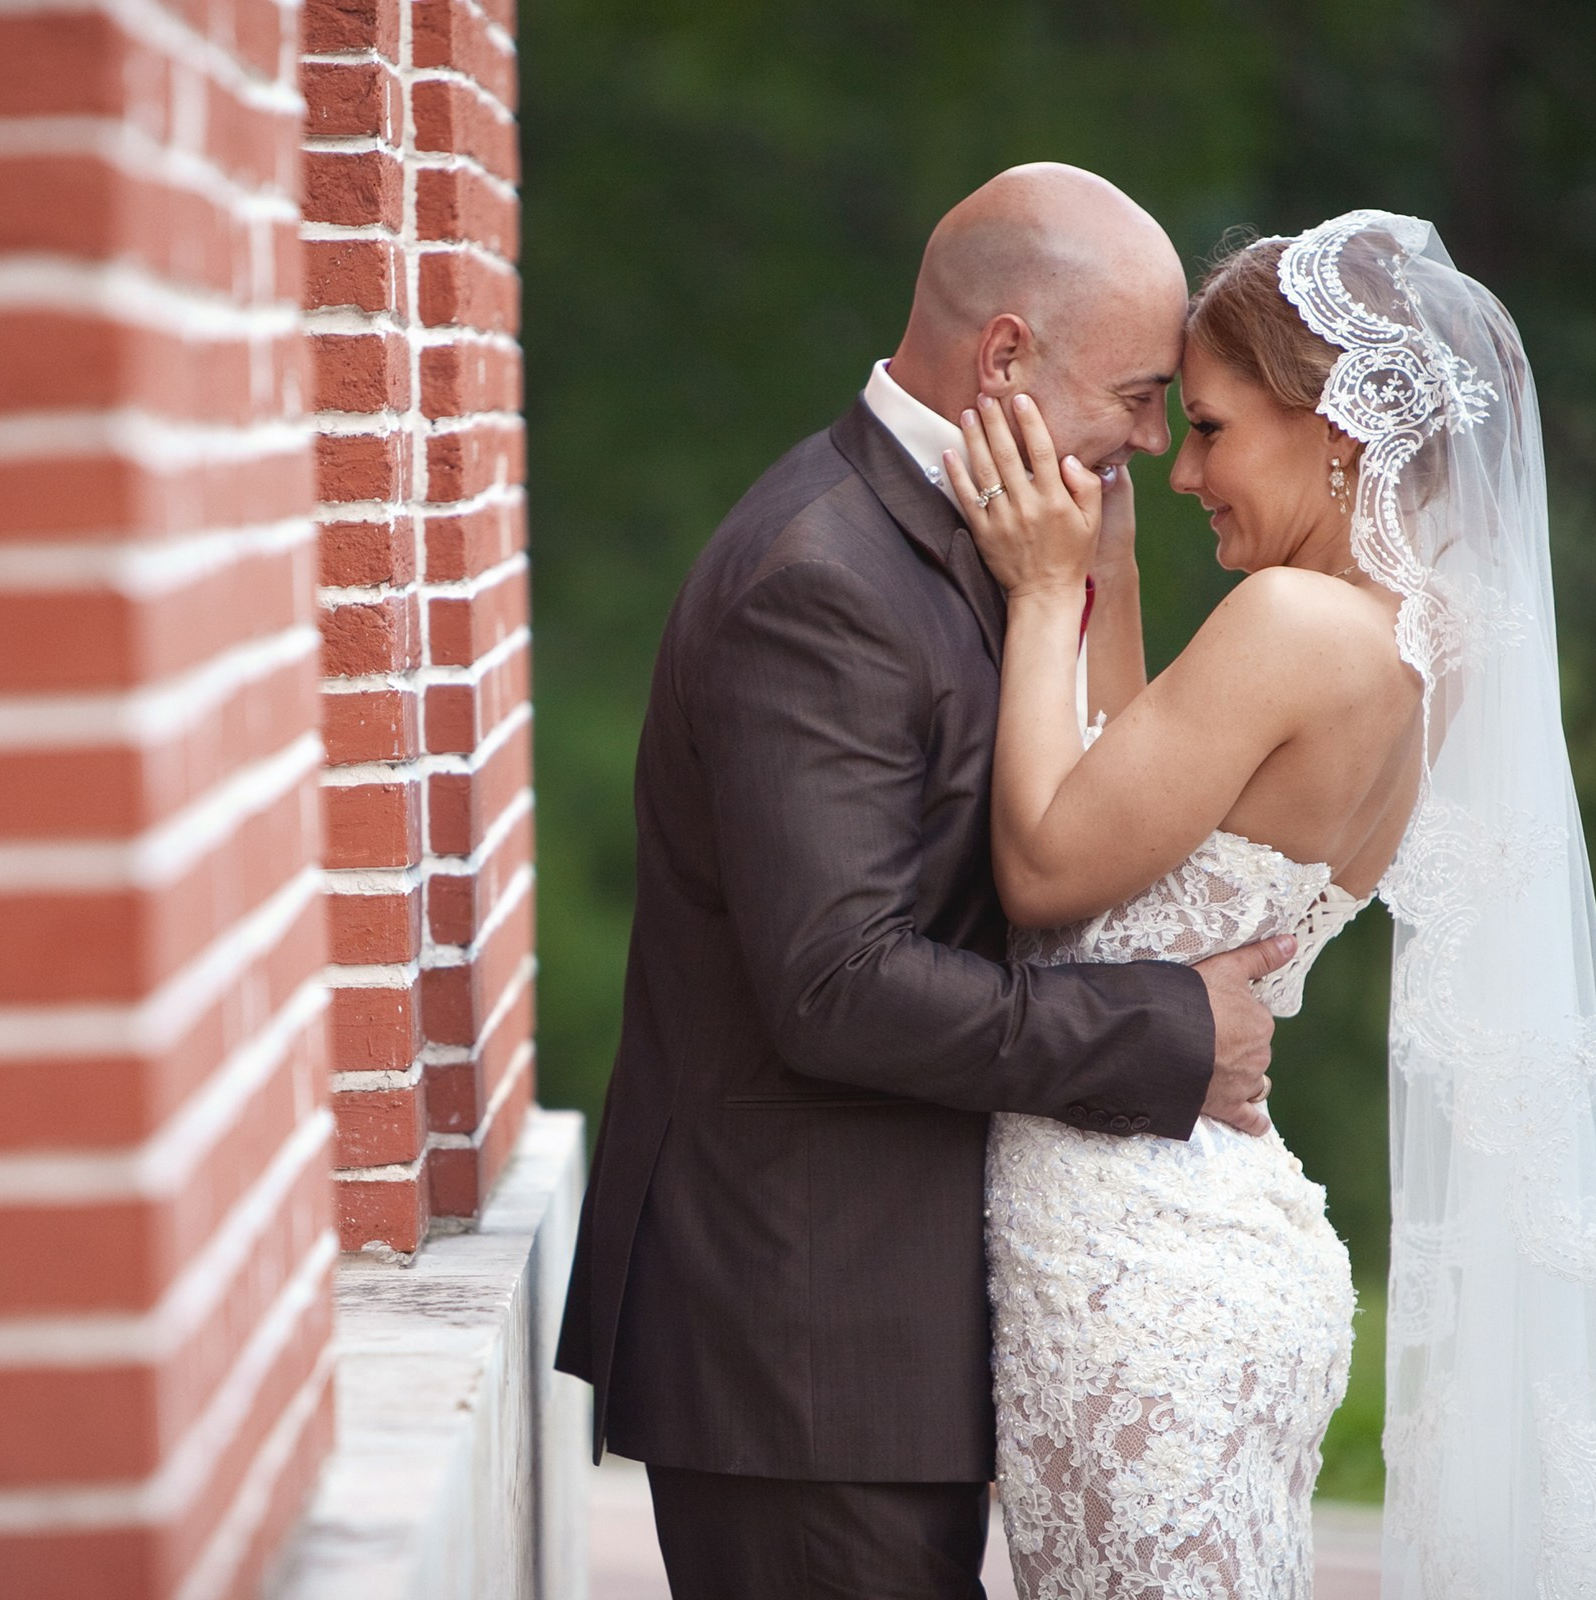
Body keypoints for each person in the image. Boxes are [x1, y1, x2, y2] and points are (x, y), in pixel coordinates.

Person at [553, 163, 1297, 1599]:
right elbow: (838, 985)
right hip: (805, 1347)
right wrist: (1171, 1031)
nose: (1152, 443)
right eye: (1136, 397)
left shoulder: (1001, 543)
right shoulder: (818, 577)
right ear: (1005, 355)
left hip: (881, 1337)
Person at [957, 212, 1596, 1598]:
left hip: (1143, 1269)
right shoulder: (1421, 660)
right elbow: (1141, 794)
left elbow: (1048, 866)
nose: (1180, 470)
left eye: (1213, 429)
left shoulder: (1294, 629)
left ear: (1336, 426)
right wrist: (1111, 582)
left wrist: (1046, 593)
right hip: (1220, 1234)